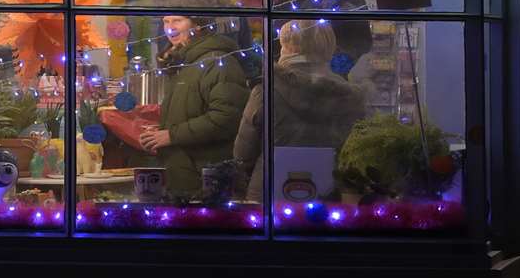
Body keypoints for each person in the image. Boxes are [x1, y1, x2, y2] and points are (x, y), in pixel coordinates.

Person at [231, 19, 369, 200]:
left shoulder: (265, 91)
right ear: (329, 46)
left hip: (269, 194)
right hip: (330, 194)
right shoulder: (351, 97)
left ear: (285, 46)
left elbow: (243, 155)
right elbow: (357, 156)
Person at [136, 15, 251, 198]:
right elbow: (193, 111)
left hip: (206, 180)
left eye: (177, 21)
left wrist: (172, 135)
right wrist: (161, 133)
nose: (170, 27)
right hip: (185, 177)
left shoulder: (217, 62)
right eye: (166, 22)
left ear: (197, 25)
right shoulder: (183, 63)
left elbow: (226, 117)